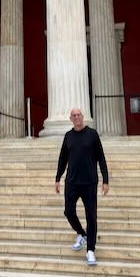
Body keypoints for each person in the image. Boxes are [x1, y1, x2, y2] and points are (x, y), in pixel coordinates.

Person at [55, 108, 109, 266]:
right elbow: (62, 159)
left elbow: (101, 158)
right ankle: (82, 234)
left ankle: (90, 250)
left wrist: (105, 180)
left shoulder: (92, 134)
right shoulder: (68, 136)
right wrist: (57, 178)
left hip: (89, 183)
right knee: (68, 211)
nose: (77, 117)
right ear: (70, 118)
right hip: (71, 182)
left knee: (91, 217)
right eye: (74, 116)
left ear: (82, 117)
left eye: (79, 115)